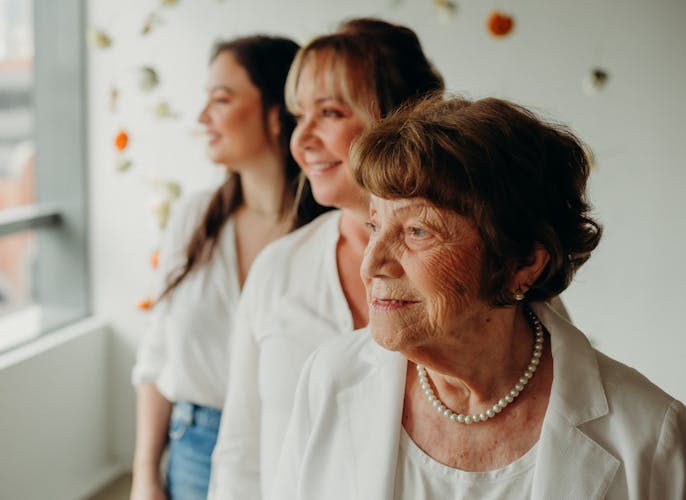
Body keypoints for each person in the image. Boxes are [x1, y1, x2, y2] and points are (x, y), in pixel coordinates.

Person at [272, 94, 686, 499]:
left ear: (521, 264)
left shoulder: (651, 434)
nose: (372, 264)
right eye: (375, 226)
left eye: (418, 231)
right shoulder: (329, 378)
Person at [207, 19, 446, 500]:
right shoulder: (278, 269)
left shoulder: (474, 268)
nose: (302, 139)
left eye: (330, 113)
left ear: (402, 123)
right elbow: (239, 453)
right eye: (298, 117)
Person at [129, 35, 327, 500]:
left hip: (299, 444)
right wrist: (144, 474)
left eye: (221, 99)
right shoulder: (194, 219)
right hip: (195, 446)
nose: (203, 118)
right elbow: (157, 355)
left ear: (277, 114)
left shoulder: (332, 236)